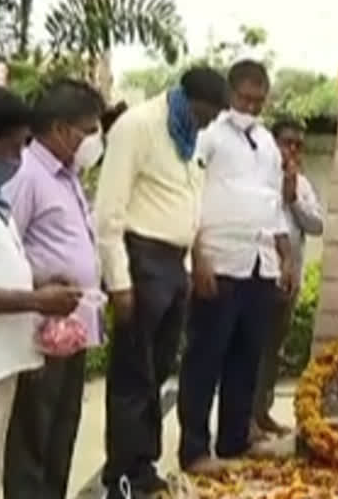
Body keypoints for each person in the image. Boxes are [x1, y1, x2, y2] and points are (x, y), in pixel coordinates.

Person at [95, 66, 228, 498]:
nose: (209, 123)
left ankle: (144, 465)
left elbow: (185, 205)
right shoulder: (139, 127)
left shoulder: (186, 138)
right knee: (133, 374)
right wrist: (119, 282)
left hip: (174, 264)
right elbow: (109, 213)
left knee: (157, 373)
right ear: (188, 99)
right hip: (141, 258)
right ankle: (121, 477)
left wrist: (189, 267)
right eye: (207, 113)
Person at [177, 59, 294, 475]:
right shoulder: (207, 135)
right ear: (230, 93)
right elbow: (188, 193)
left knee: (247, 358)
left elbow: (273, 201)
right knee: (205, 358)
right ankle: (193, 450)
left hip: (260, 263)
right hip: (218, 260)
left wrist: (286, 253)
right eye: (245, 98)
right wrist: (198, 255)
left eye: (260, 101)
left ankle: (233, 441)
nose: (252, 107)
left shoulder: (266, 142)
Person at [2, 80, 105, 499]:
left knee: (61, 435)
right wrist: (39, 286)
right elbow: (3, 249)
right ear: (61, 129)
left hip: (71, 331)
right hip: (38, 332)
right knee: (33, 440)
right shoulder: (26, 174)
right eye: (88, 131)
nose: (93, 141)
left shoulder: (68, 177)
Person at [0, 86, 82, 499]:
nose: (19, 160)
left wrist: (36, 282)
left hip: (1, 365)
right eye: (12, 147)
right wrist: (35, 301)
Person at [251, 119, 323, 439]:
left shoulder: (303, 184)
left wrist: (293, 198)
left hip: (289, 281)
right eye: (287, 142)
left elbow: (317, 225)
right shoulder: (256, 178)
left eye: (298, 145)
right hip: (258, 275)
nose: (292, 150)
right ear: (272, 143)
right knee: (250, 348)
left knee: (273, 349)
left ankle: (262, 412)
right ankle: (245, 419)